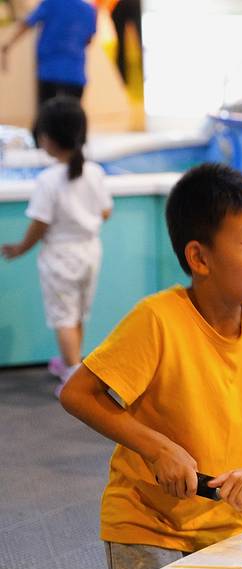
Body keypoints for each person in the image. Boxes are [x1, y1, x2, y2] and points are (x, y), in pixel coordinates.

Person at [59, 163, 242, 569]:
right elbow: (78, 393)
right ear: (199, 258)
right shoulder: (157, 319)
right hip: (146, 521)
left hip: (227, 519)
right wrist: (157, 449)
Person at [1, 97, 112, 392]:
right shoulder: (94, 172)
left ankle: (73, 378)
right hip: (90, 251)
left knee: (63, 316)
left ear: (47, 139)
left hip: (61, 257)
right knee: (78, 314)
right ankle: (70, 362)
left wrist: (19, 249)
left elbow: (40, 224)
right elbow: (105, 211)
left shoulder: (48, 181)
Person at [0, 0, 97, 107]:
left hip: (49, 72)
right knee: (72, 114)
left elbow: (27, 23)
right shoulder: (89, 10)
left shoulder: (50, 3)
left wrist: (8, 44)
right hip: (75, 75)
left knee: (47, 114)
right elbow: (88, 40)